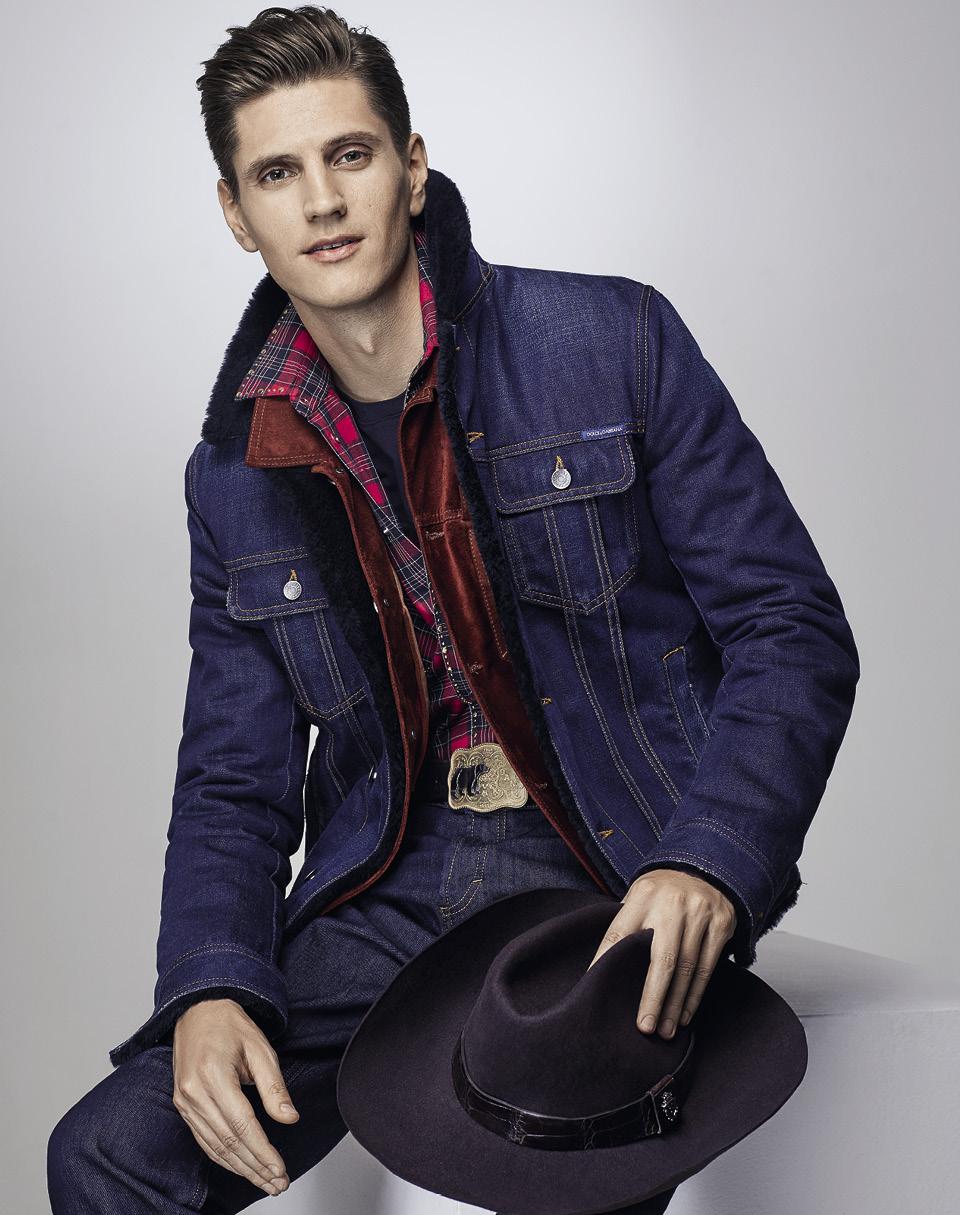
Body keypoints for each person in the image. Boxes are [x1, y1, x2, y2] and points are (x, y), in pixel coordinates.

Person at [46, 6, 859, 1212]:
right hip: (388, 886)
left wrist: (711, 860)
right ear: (236, 212)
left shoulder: (611, 338)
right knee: (105, 1155)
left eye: (350, 155)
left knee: (570, 1161)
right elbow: (232, 777)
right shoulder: (235, 473)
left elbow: (790, 628)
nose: (323, 202)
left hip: (607, 853)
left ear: (412, 167)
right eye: (278, 173)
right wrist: (209, 985)